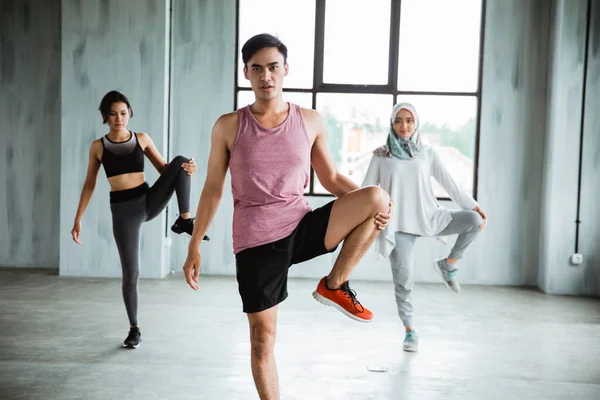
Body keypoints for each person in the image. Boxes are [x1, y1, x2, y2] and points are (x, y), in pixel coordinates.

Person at [181, 34, 392, 400]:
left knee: (377, 197)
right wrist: (195, 244)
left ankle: (335, 284)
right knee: (263, 341)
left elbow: (331, 179)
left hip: (301, 225)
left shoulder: (308, 121)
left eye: (274, 68)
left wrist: (373, 208)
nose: (267, 76)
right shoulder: (229, 126)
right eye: (258, 68)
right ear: (245, 72)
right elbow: (213, 188)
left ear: (286, 71)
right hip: (256, 241)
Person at [71, 90, 209, 349]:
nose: (118, 118)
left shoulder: (142, 139)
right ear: (105, 116)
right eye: (112, 114)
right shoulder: (98, 147)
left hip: (147, 201)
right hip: (124, 212)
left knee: (180, 161)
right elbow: (90, 183)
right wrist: (78, 218)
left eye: (123, 113)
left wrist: (187, 170)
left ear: (129, 114)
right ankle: (134, 328)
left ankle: (184, 220)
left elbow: (164, 169)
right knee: (131, 272)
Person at [362, 102, 487, 352]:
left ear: (416, 122)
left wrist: (473, 206)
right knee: (404, 280)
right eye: (399, 120)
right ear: (392, 124)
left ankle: (448, 264)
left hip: (429, 217)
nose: (404, 125)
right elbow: (366, 190)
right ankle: (409, 330)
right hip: (398, 225)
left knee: (474, 222)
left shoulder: (427, 153)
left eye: (409, 120)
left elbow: (449, 184)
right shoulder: (381, 156)